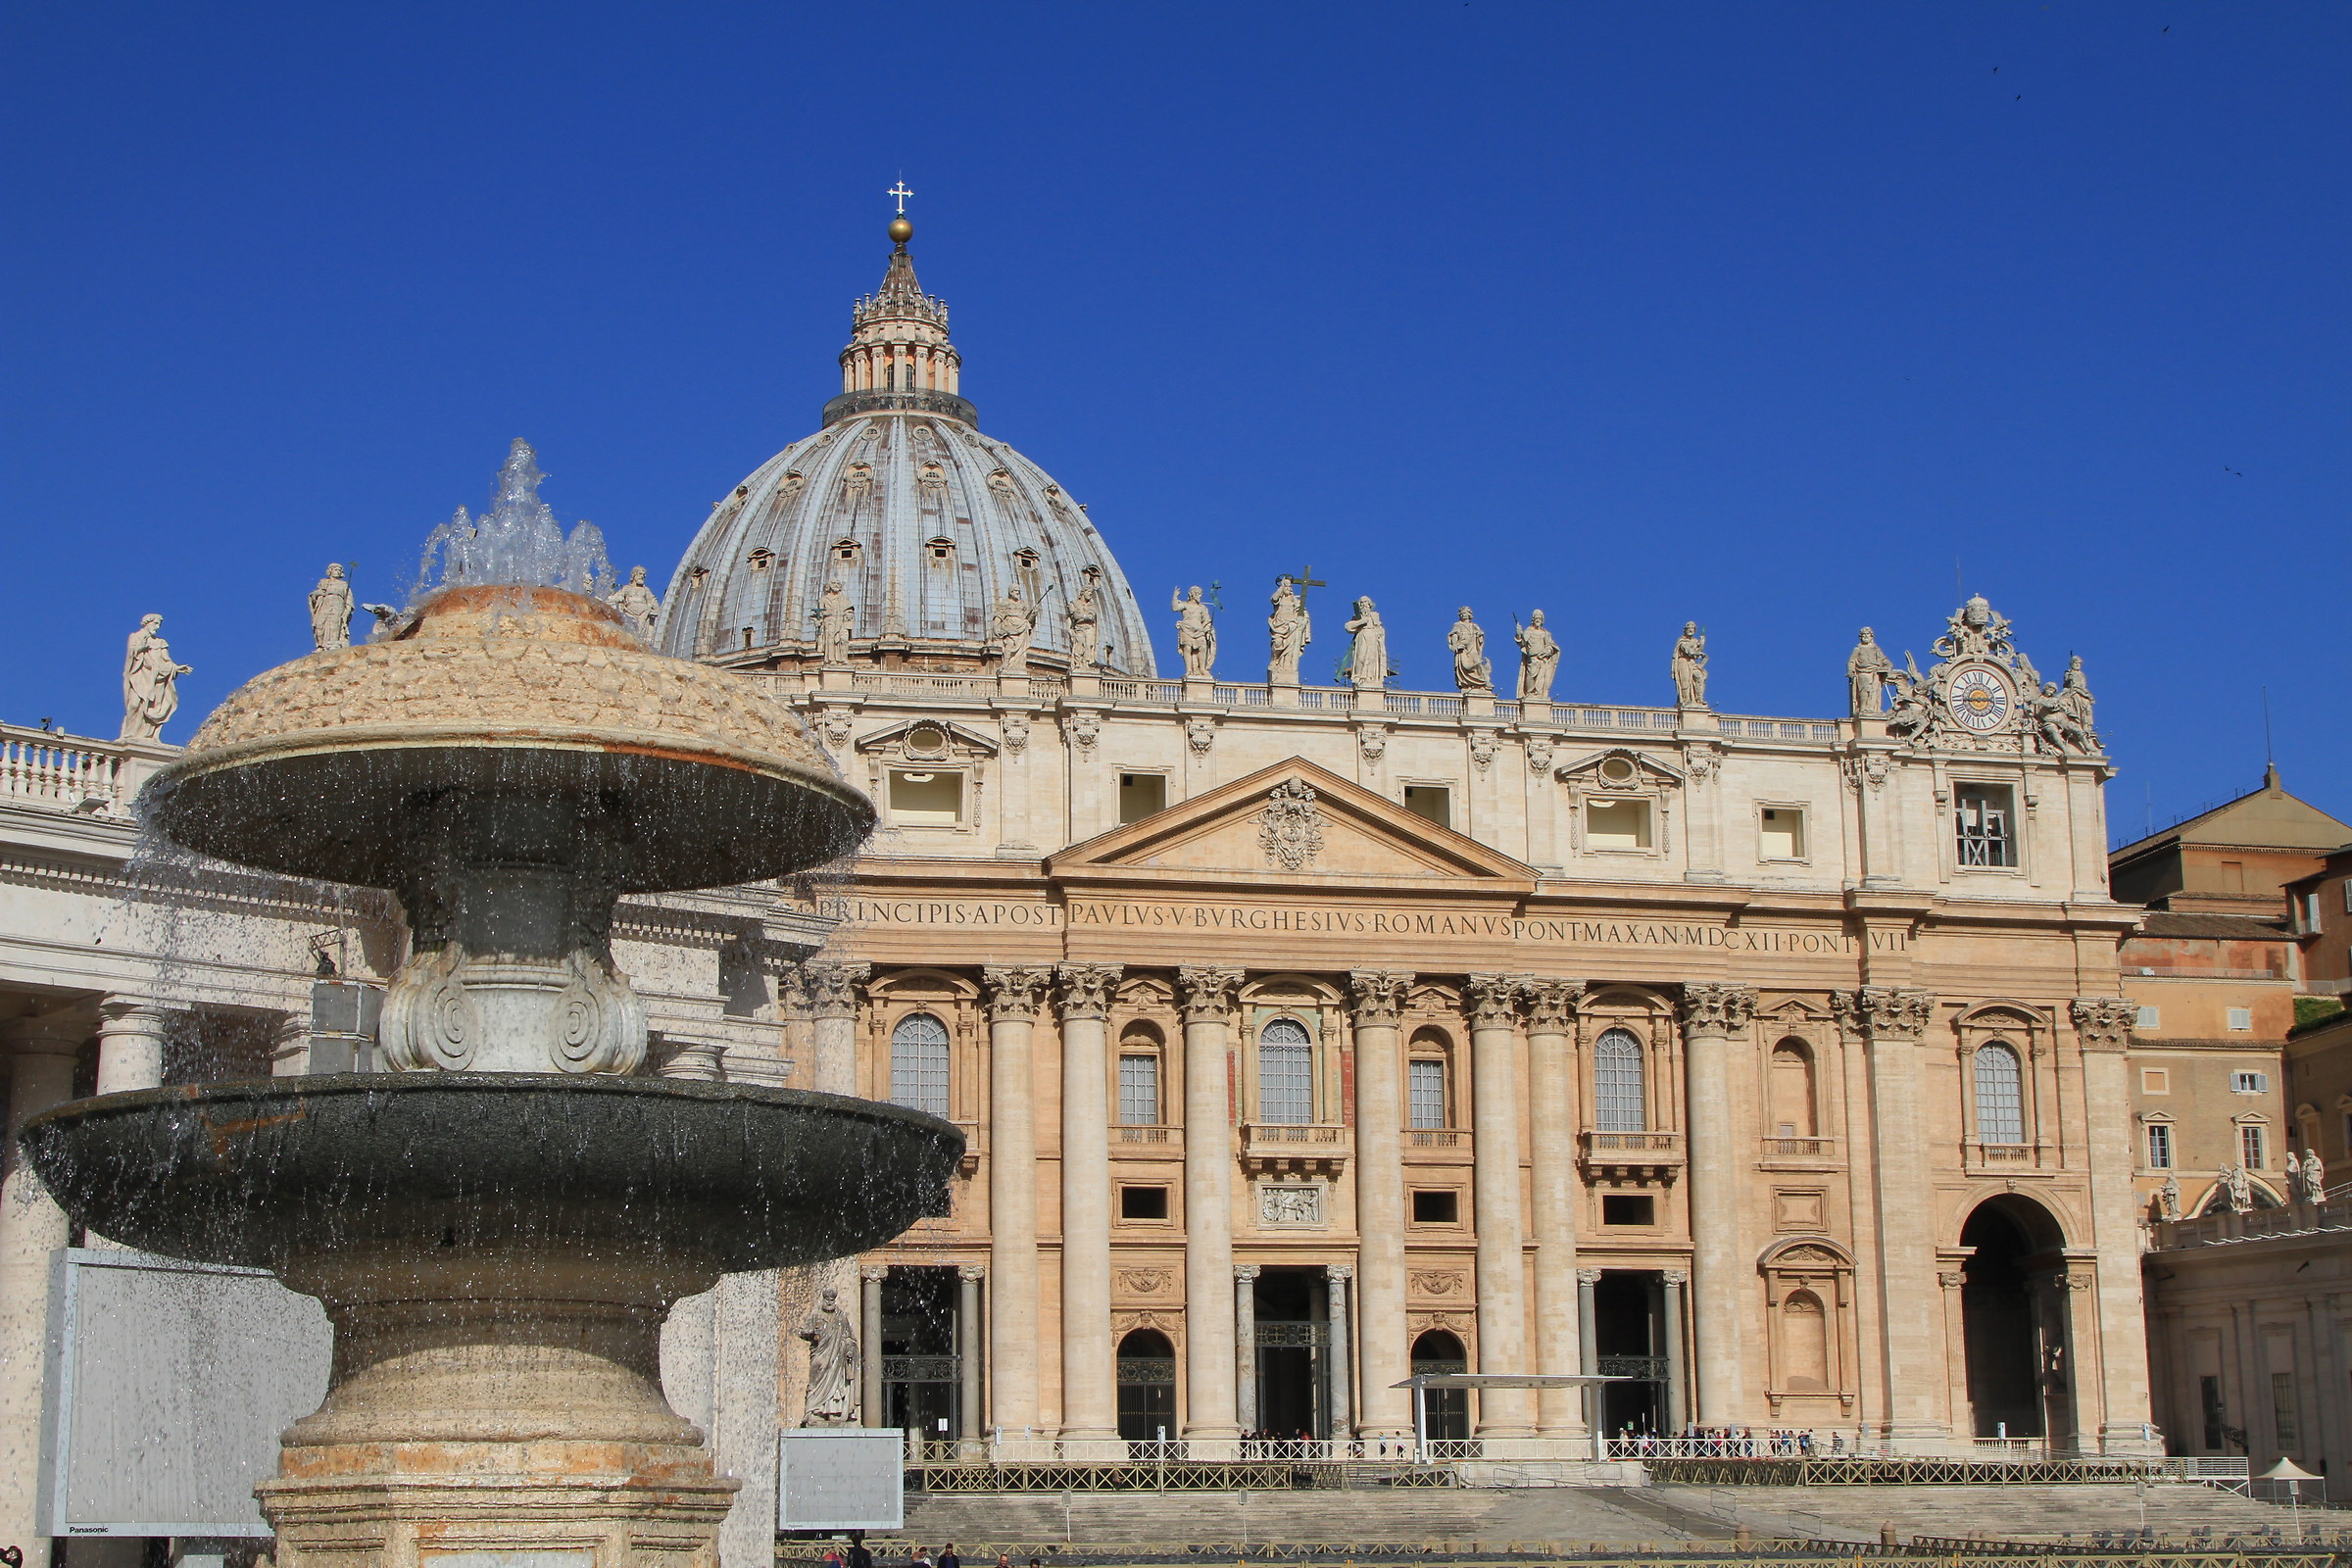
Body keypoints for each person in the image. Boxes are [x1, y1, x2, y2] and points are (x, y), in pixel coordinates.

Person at [121, 613, 191, 742]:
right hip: (139, 677)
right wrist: (143, 647)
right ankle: (129, 734)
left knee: (153, 707)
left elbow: (167, 661)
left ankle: (147, 735)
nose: (157, 627)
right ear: (147, 623)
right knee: (134, 705)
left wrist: (177, 668)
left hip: (156, 680)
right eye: (155, 623)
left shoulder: (160, 642)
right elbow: (131, 654)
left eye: (159, 624)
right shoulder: (135, 637)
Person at [797, 1286, 859, 1425]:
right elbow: (801, 1332)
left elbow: (849, 1337)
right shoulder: (815, 1314)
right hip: (820, 1354)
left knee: (836, 1383)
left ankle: (833, 1412)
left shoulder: (841, 1316)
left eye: (832, 1300)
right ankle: (813, 1410)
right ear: (823, 1299)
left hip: (836, 1356)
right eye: (827, 1299)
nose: (830, 1302)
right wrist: (812, 1334)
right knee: (816, 1380)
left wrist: (849, 1348)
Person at [1339, 596, 1390, 692]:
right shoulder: (1357, 617)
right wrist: (1361, 622)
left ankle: (1370, 679)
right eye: (1361, 603)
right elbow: (1348, 627)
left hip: (1373, 638)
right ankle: (1359, 677)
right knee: (1360, 658)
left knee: (1372, 659)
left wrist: (1380, 632)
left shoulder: (1374, 616)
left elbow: (1380, 629)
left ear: (1369, 605)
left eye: (1365, 603)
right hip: (1362, 636)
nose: (1363, 605)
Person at [1266, 575, 1310, 685]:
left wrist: (1302, 620)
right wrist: (1281, 588)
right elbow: (1274, 599)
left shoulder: (1295, 600)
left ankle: (1287, 667)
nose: (1288, 588)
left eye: (1290, 586)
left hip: (1292, 626)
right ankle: (1274, 660)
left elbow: (1303, 613)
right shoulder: (1279, 598)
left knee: (1290, 650)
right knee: (1277, 643)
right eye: (1286, 585)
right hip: (1279, 626)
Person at [1846, 627, 1893, 716]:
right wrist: (1851, 671)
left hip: (1875, 672)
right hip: (1863, 671)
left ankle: (1872, 709)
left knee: (1874, 691)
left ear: (1871, 636)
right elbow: (1851, 661)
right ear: (1860, 637)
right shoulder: (1858, 648)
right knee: (1865, 689)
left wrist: (1888, 664)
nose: (1866, 636)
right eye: (1863, 634)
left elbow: (1883, 659)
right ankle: (1863, 708)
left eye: (1868, 634)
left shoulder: (1876, 648)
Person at [1171, 585, 1215, 678]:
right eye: (1198, 594)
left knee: (1202, 647)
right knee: (1187, 648)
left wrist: (1208, 630)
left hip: (1199, 630)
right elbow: (1175, 608)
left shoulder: (1202, 608)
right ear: (1192, 594)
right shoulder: (1185, 605)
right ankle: (1189, 670)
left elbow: (1207, 621)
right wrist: (1175, 597)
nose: (1199, 596)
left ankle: (1202, 668)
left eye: (1200, 594)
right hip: (1186, 629)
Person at [610, 564, 662, 641]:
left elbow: (654, 602)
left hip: (644, 615)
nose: (642, 577)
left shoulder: (646, 590)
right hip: (629, 613)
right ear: (634, 575)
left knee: (641, 637)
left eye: (644, 575)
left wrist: (654, 611)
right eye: (640, 574)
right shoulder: (626, 588)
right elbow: (615, 598)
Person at [1515, 609, 1559, 702]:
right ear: (1533, 619)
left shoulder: (1545, 633)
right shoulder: (1529, 631)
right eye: (1536, 618)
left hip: (1542, 659)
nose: (1538, 620)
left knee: (1541, 680)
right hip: (1532, 659)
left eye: (1539, 618)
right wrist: (1519, 634)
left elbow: (1551, 645)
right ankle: (1530, 693)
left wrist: (1548, 650)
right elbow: (1522, 642)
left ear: (1542, 620)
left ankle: (1539, 695)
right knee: (1531, 675)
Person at [1446, 607, 1493, 695]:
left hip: (1473, 647)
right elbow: (1453, 635)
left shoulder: (1474, 626)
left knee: (1477, 663)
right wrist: (1455, 645)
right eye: (1461, 614)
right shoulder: (1457, 625)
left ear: (1469, 614)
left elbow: (1480, 636)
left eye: (1465, 613)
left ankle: (1483, 681)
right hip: (1462, 648)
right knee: (1465, 666)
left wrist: (1480, 635)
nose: (1463, 615)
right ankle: (1469, 684)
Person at [309, 563, 354, 652]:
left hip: (338, 603)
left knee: (335, 624)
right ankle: (321, 645)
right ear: (330, 571)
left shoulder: (344, 585)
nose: (337, 572)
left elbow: (349, 601)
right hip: (324, 603)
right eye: (335, 570)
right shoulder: (323, 582)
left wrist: (346, 612)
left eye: (339, 570)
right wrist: (318, 593)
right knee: (319, 624)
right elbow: (313, 595)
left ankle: (333, 644)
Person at [1671, 620, 1708, 708]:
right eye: (1689, 628)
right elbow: (1688, 651)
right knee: (1685, 682)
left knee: (1699, 676)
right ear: (1685, 630)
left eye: (1692, 628)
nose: (1690, 630)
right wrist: (1697, 653)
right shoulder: (1682, 640)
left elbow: (1697, 651)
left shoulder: (1695, 641)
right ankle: (1686, 700)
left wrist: (1702, 644)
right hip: (1683, 662)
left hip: (1692, 663)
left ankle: (1699, 699)